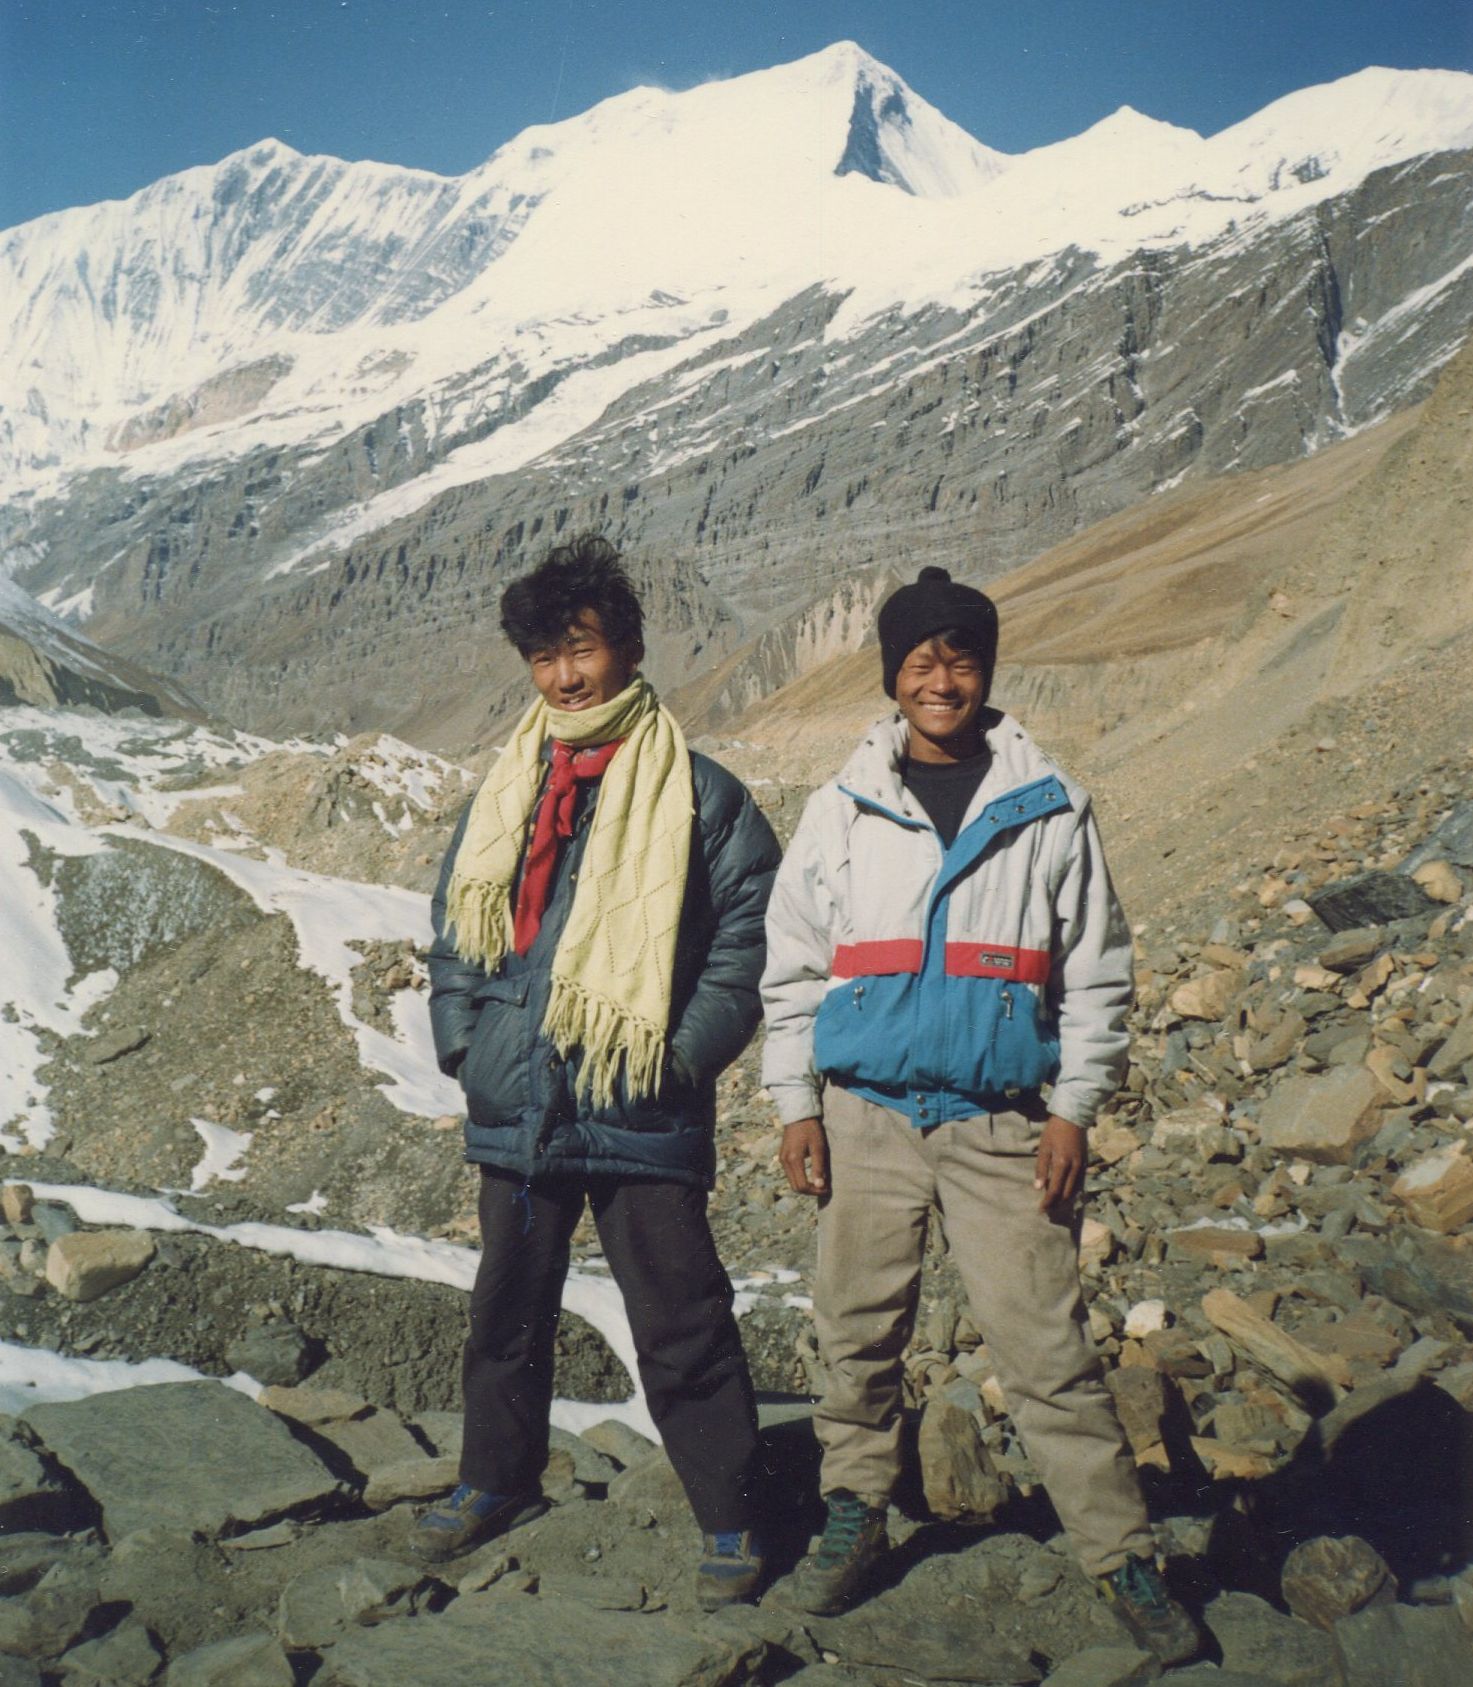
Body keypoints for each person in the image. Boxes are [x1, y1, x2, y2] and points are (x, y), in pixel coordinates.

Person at [759, 565, 1200, 1663]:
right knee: (856, 1331)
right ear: (891, 675)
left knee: (1045, 1345)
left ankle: (1118, 1553)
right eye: (919, 659)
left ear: (986, 670)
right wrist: (793, 1104)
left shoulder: (1050, 805)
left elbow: (1097, 976)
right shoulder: (842, 806)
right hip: (863, 1116)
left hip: (1005, 1122)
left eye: (959, 656)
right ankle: (855, 1510)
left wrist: (1074, 1112)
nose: (940, 678)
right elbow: (793, 972)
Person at [419, 533, 780, 1611]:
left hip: (639, 1106)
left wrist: (672, 1064)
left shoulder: (701, 796)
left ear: (625, 645)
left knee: (681, 1314)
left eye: (581, 649)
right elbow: (456, 930)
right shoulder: (510, 789)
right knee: (507, 1311)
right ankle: (495, 1480)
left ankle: (730, 1513)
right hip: (520, 1102)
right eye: (544, 656)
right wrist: (465, 1046)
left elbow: (746, 943)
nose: (566, 676)